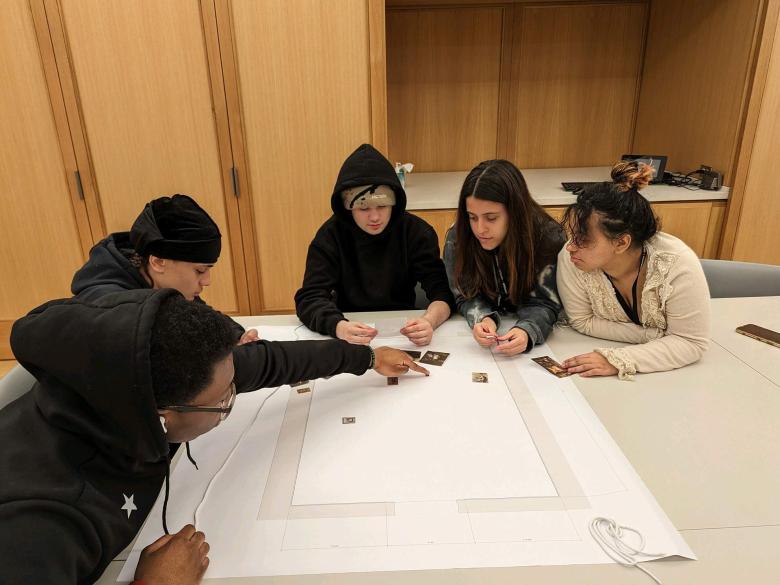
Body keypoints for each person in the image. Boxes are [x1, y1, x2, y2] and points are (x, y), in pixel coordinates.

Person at [0, 289, 427, 584]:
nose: (232, 398)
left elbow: (268, 361)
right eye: (223, 402)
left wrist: (366, 357)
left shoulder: (128, 385)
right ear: (162, 417)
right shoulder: (41, 526)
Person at [556, 161, 711, 380]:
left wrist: (619, 359)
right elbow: (582, 320)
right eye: (572, 236)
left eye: (583, 239)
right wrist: (653, 336)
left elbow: (691, 342)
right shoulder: (572, 257)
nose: (571, 246)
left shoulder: (676, 263)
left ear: (621, 243)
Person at [295, 144, 455, 346]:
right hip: (350, 324)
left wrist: (429, 321)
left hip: (403, 330)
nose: (374, 217)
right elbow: (309, 298)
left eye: (382, 205)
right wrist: (339, 326)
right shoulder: (329, 237)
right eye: (363, 208)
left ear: (394, 203)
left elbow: (443, 291)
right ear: (347, 207)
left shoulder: (416, 233)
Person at [71, 193, 258, 344]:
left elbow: (200, 315)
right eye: (200, 271)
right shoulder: (111, 308)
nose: (207, 281)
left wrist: (235, 336)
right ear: (158, 262)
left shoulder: (158, 279)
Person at [443, 160, 565, 355]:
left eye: (491, 218)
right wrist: (483, 318)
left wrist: (527, 330)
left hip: (542, 340)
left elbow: (546, 302)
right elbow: (464, 295)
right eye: (472, 217)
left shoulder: (548, 237)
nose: (480, 229)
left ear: (515, 212)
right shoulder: (458, 237)